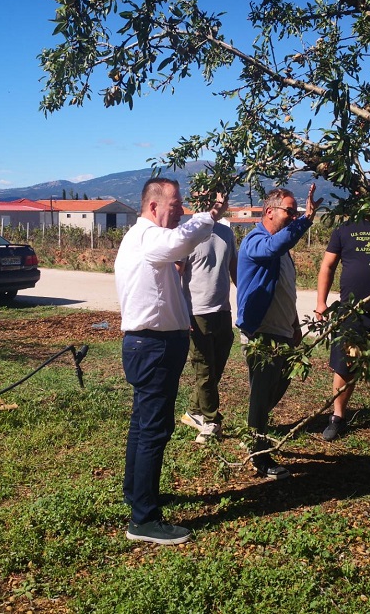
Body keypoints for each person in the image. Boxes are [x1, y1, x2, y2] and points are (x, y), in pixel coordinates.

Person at [115, 177, 228, 545]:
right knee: (153, 430)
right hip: (153, 346)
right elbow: (181, 240)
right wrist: (211, 215)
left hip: (151, 345)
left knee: (143, 425)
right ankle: (144, 520)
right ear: (153, 206)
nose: (181, 210)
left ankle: (138, 494)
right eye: (176, 204)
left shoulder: (145, 239)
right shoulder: (148, 237)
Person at [237, 185, 322, 479]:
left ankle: (253, 427)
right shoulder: (256, 242)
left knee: (277, 387)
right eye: (290, 211)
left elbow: (286, 292)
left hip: (284, 331)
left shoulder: (284, 250)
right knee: (262, 394)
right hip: (262, 334)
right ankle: (258, 454)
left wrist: (295, 325)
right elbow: (272, 248)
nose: (294, 216)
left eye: (296, 211)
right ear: (269, 211)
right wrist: (306, 220)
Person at [314, 219, 370, 446]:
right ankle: (337, 417)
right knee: (345, 366)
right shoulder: (344, 228)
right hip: (350, 312)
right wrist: (321, 302)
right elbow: (328, 265)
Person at [179, 202, 237, 443]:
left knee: (215, 369)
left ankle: (193, 411)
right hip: (197, 313)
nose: (216, 202)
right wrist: (182, 312)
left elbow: (234, 268)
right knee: (204, 370)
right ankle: (212, 422)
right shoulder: (187, 232)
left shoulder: (226, 232)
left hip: (223, 311)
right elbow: (176, 274)